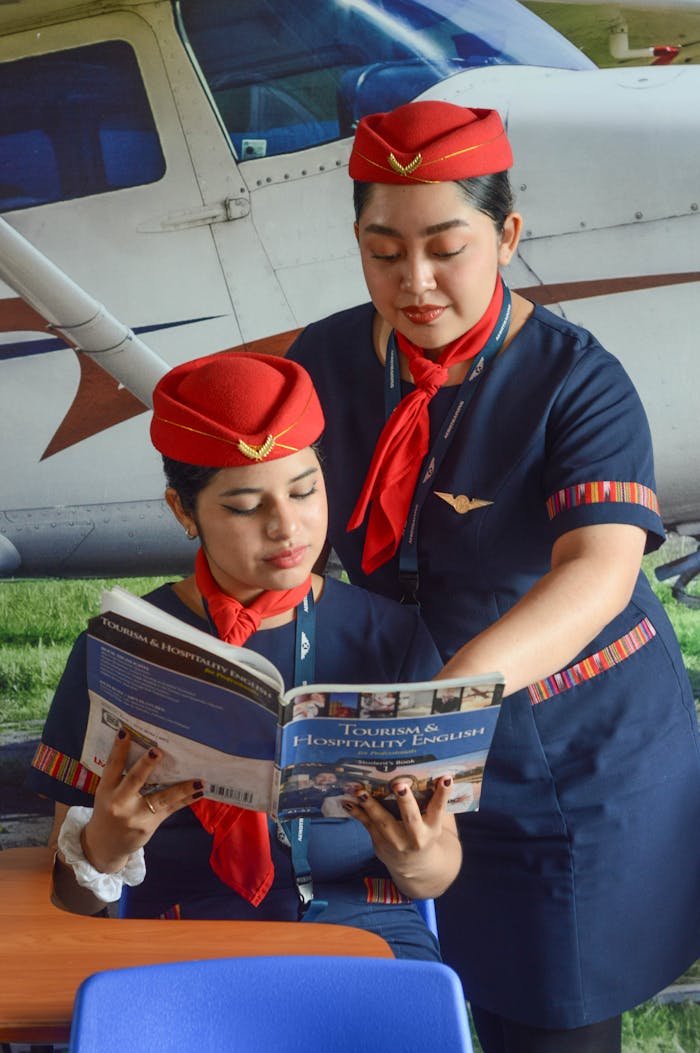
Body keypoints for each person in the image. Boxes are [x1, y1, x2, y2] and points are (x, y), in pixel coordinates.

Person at [287, 100, 700, 1051]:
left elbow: (598, 572)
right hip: (408, 756)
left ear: (508, 234)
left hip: (570, 752)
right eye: (382, 249)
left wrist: (440, 702)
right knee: (418, 1007)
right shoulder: (326, 360)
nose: (415, 281)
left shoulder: (576, 380)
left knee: (552, 1015)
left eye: (446, 246)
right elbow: (282, 516)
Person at [27, 351, 460, 961]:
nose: (288, 527)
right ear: (182, 510)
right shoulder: (116, 648)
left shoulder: (393, 637)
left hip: (364, 930)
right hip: (182, 934)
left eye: (305, 491)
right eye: (244, 506)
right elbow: (70, 899)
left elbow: (437, 876)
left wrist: (417, 858)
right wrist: (103, 847)